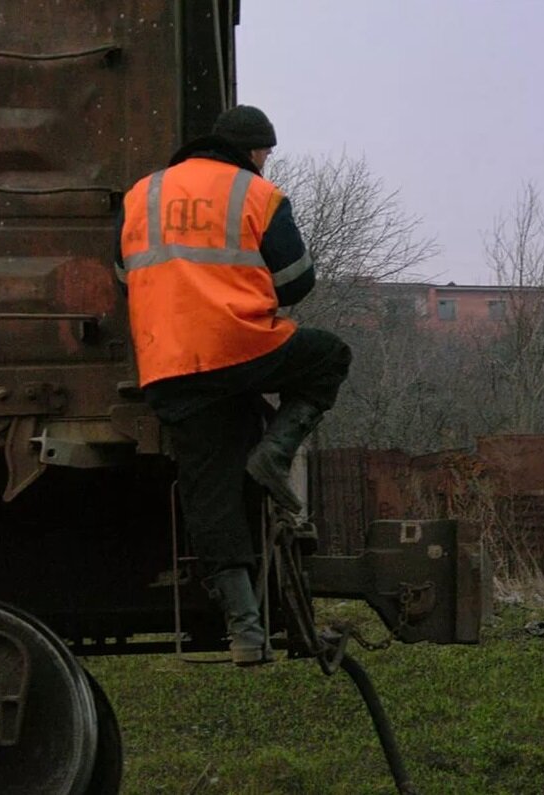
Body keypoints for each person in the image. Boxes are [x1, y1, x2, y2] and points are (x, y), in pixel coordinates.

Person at [115, 105, 351, 665]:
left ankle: (246, 629)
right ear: (251, 150)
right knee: (328, 357)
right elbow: (297, 280)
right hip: (240, 348)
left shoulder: (141, 195)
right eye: (266, 153)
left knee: (209, 490)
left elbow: (125, 276)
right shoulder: (256, 194)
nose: (267, 162)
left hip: (168, 366)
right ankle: (274, 453)